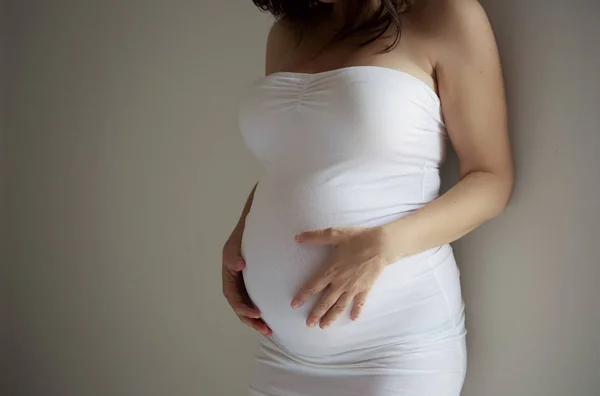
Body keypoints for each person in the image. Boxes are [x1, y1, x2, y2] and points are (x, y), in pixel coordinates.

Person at [222, 0, 513, 394]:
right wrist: (242, 237)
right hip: (282, 353)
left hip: (394, 352)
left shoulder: (446, 14)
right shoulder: (288, 32)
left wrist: (382, 246)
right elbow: (290, 161)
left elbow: (491, 181)